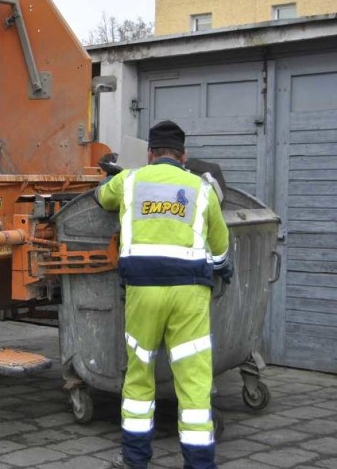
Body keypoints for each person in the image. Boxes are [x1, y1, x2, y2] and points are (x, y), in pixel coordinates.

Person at [95, 120, 234, 469]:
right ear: (184, 156)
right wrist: (221, 266)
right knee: (193, 379)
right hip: (189, 295)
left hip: (143, 291)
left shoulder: (129, 181)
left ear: (149, 154)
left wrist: (113, 176)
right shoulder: (201, 189)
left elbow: (100, 197)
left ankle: (135, 459)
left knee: (140, 373)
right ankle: (200, 463)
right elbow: (220, 246)